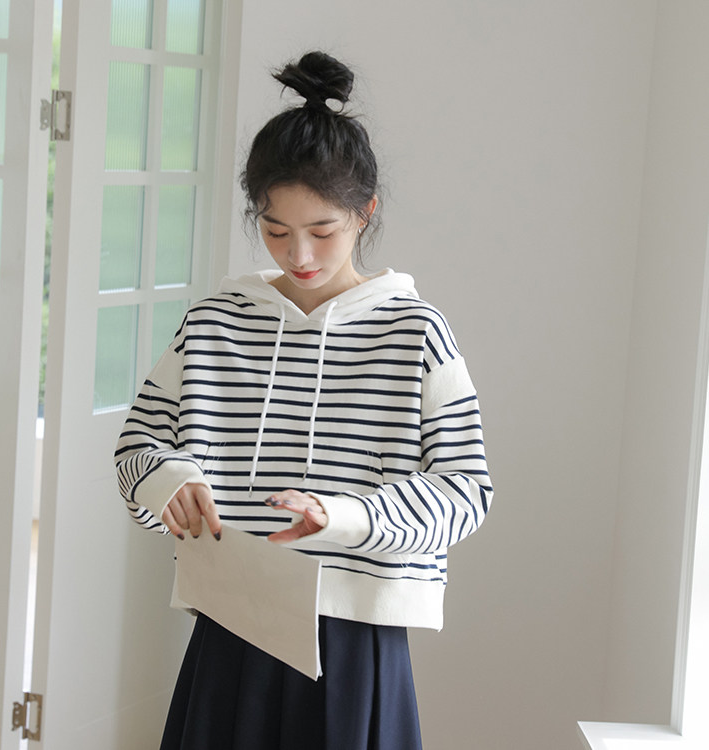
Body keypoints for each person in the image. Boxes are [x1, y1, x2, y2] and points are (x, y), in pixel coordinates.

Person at [115, 50, 493, 750]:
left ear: (366, 212)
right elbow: (137, 448)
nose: (300, 255)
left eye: (323, 231)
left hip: (356, 639)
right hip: (229, 620)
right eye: (275, 230)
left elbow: (466, 491)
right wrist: (169, 482)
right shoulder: (215, 322)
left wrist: (342, 517)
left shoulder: (417, 333)